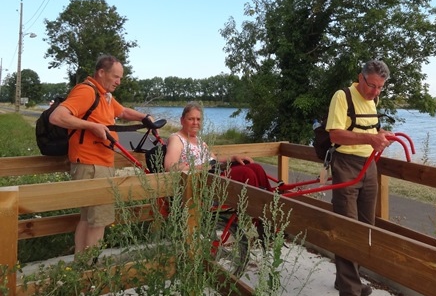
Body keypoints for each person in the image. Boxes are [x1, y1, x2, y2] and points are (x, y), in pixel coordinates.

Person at [49, 55, 155, 256]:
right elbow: (58, 117)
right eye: (116, 77)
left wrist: (144, 117)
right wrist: (92, 126)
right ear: (101, 73)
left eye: (121, 78)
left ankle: (81, 268)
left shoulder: (104, 95)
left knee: (87, 219)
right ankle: (90, 273)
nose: (118, 81)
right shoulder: (87, 92)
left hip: (94, 164)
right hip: (92, 165)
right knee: (99, 222)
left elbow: (122, 112)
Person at [325, 59, 393, 296]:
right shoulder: (343, 97)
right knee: (347, 228)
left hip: (370, 166)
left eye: (380, 88)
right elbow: (336, 135)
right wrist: (370, 138)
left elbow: (370, 131)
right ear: (360, 77)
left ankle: (347, 279)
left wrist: (380, 134)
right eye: (372, 86)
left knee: (366, 228)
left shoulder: (373, 101)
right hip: (346, 166)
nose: (375, 92)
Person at [163, 102, 270, 189]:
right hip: (201, 182)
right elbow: (170, 167)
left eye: (198, 119)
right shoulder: (176, 139)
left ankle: (273, 204)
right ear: (182, 120)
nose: (195, 122)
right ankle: (257, 210)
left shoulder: (198, 140)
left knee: (256, 167)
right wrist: (198, 167)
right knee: (246, 173)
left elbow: (213, 159)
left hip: (214, 173)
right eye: (191, 119)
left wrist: (232, 157)